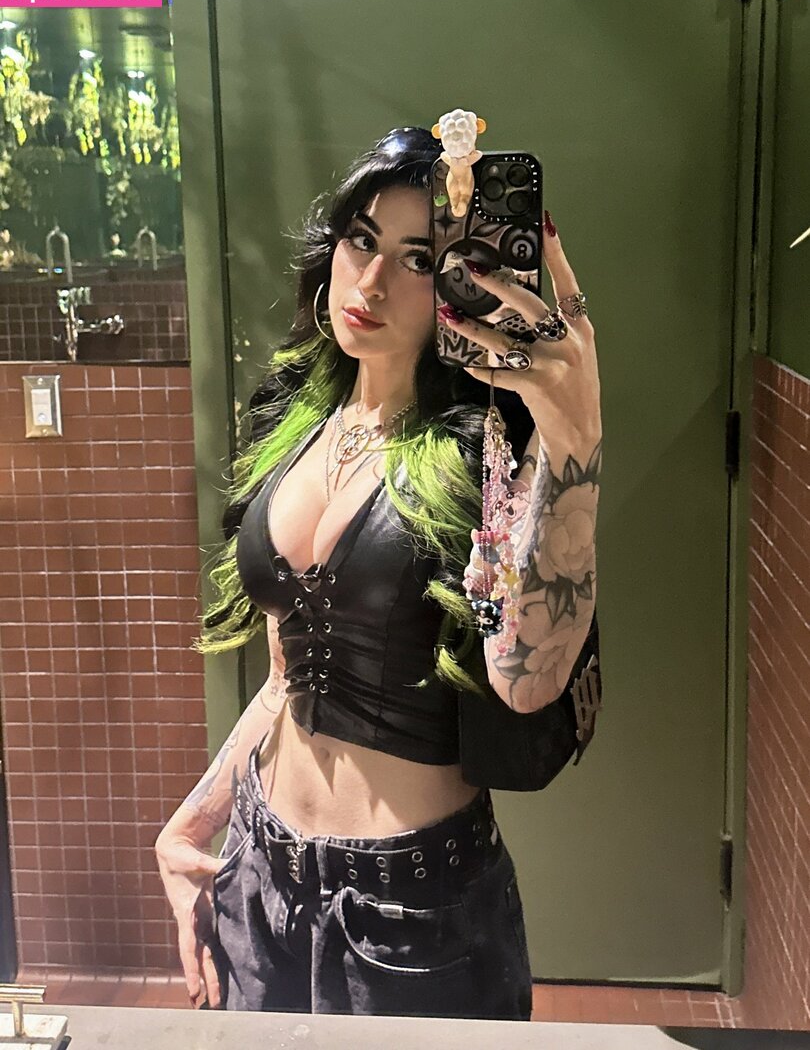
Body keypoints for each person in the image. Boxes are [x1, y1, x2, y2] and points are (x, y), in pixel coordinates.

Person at [155, 126, 603, 1021]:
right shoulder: (295, 422)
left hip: (413, 915)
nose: (371, 282)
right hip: (259, 877)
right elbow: (287, 678)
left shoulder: (486, 450)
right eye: (362, 240)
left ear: (464, 280)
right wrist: (194, 822)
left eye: (419, 259)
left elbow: (529, 680)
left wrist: (576, 443)